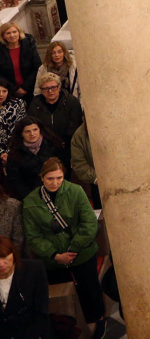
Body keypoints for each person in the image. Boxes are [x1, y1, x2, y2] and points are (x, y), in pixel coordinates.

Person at [22, 158, 108, 338]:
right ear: (42, 178)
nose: (55, 183)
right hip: (54, 260)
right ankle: (71, 328)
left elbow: (89, 223)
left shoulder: (75, 191)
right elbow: (33, 236)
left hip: (82, 253)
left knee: (90, 290)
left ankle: (98, 320)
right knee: (64, 298)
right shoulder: (30, 202)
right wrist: (55, 255)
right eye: (50, 178)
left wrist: (74, 247)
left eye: (59, 178)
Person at [0, 234, 50, 339]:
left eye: (4, 256)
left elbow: (41, 310)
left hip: (32, 332)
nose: (1, 264)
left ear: (13, 252)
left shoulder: (34, 269)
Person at [27, 72, 82, 165]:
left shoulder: (71, 102)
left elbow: (75, 124)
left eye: (53, 87)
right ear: (41, 90)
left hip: (67, 145)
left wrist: (64, 141)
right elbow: (34, 125)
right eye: (46, 89)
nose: (50, 91)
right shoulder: (35, 105)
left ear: (59, 87)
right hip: (44, 146)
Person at [5, 118, 63, 200]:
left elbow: (63, 169)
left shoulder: (53, 144)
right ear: (21, 133)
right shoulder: (15, 153)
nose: (32, 134)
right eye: (27, 131)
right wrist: (30, 197)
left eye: (35, 129)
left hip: (56, 190)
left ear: (40, 130)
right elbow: (15, 179)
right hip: (29, 194)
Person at [0, 23, 40, 99]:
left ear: (19, 32)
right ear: (3, 36)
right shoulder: (1, 50)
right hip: (9, 90)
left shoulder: (29, 46)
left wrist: (25, 87)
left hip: (31, 87)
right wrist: (14, 89)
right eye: (8, 33)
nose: (12, 35)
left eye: (14, 32)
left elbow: (37, 67)